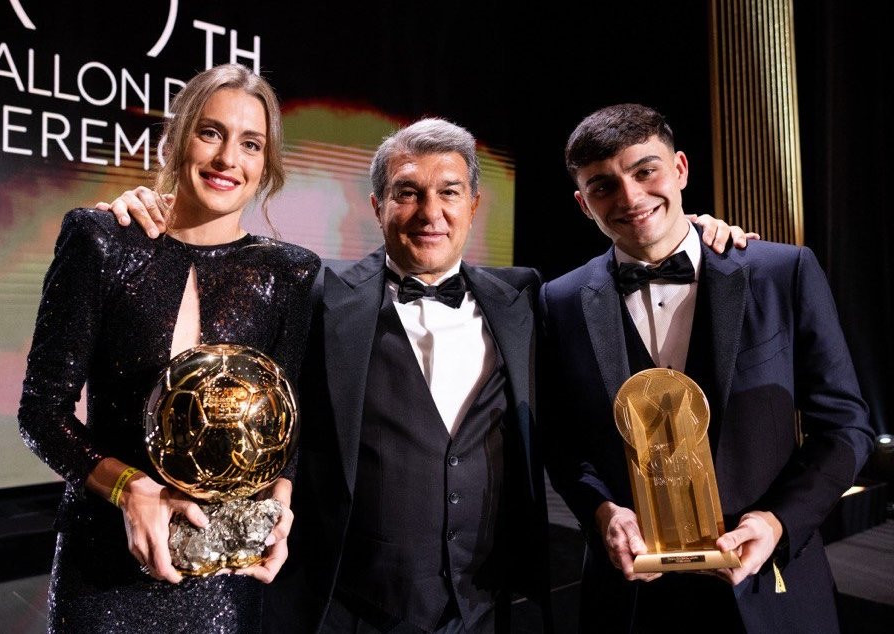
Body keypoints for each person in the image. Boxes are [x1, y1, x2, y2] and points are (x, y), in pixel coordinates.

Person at [104, 116, 750, 633]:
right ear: (379, 205)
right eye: (407, 193)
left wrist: (695, 232)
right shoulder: (318, 290)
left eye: (447, 193)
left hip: (488, 604)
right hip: (351, 604)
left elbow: (627, 270)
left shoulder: (525, 295)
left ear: (472, 204)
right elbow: (220, 295)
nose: (429, 211)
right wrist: (160, 215)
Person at [539, 103, 873, 632]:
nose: (630, 197)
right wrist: (601, 511)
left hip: (769, 588)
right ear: (583, 204)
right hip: (630, 599)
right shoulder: (559, 301)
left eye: (645, 170)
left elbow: (846, 427)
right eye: (603, 186)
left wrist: (777, 523)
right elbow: (561, 442)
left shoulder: (781, 273)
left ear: (680, 169)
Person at [18, 64, 320, 633]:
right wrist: (130, 491)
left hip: (225, 576)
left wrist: (281, 508)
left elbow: (289, 426)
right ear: (178, 138)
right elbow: (40, 412)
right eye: (211, 133)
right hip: (105, 567)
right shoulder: (101, 240)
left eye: (250, 144)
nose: (228, 158)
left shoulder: (289, 273)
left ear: (266, 166)